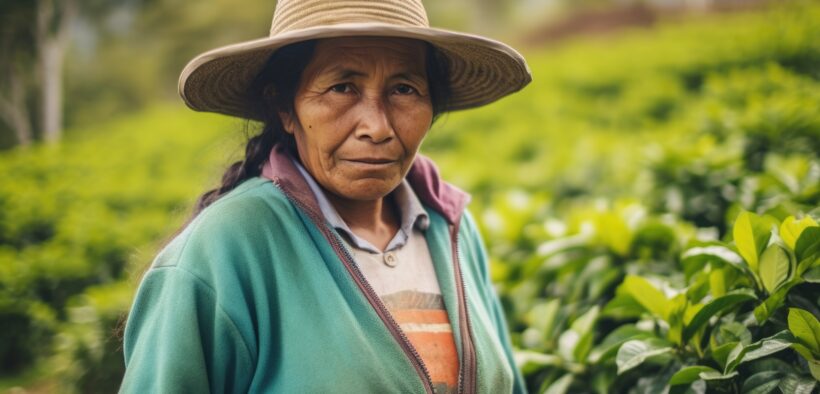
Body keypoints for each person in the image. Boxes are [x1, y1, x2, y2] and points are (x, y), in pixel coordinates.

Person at [120, 0, 531, 393]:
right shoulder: (220, 253)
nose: (377, 126)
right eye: (341, 87)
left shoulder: (451, 225)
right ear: (284, 106)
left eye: (404, 89)